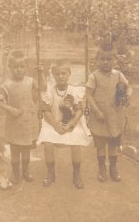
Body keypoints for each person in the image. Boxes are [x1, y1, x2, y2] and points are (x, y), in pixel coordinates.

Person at [37, 60, 91, 189]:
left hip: (71, 123)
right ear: (53, 76)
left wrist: (71, 125)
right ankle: (51, 173)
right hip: (53, 122)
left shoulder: (74, 90)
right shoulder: (50, 91)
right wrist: (56, 126)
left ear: (69, 74)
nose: (60, 76)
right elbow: (46, 111)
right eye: (57, 74)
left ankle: (76, 173)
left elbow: (79, 111)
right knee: (48, 144)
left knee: (76, 142)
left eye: (63, 73)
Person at [0, 50, 46, 184]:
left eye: (22, 66)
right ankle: (16, 172)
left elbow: (43, 87)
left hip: (28, 123)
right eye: (15, 67)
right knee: (14, 150)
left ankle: (25, 171)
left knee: (26, 150)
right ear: (10, 68)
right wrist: (10, 109)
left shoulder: (30, 81)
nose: (19, 70)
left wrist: (41, 73)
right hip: (14, 124)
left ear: (26, 67)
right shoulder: (6, 85)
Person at [86, 42, 132, 182]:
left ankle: (113, 168)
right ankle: (102, 168)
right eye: (103, 59)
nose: (106, 62)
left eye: (109, 59)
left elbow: (129, 87)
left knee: (113, 145)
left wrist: (127, 96)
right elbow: (88, 95)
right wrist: (97, 111)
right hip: (99, 116)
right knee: (100, 145)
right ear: (97, 59)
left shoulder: (118, 75)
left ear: (115, 60)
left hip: (115, 117)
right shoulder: (94, 76)